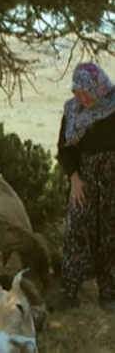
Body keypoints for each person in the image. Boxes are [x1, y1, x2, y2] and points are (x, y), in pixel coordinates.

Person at [55, 62, 115, 312]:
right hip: (85, 180)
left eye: (85, 91)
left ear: (98, 88)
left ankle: (109, 292)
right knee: (76, 229)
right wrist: (74, 179)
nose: (81, 97)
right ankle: (69, 290)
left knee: (110, 234)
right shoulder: (73, 112)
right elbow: (64, 149)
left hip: (112, 179)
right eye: (77, 92)